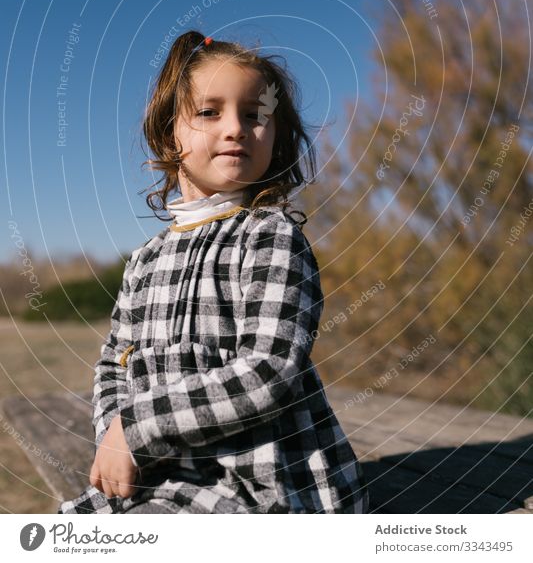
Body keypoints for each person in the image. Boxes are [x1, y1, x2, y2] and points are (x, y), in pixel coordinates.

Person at [57, 30, 370, 514]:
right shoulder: (146, 259)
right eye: (209, 112)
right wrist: (114, 431)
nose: (236, 128)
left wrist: (138, 427)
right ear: (169, 135)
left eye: (255, 115)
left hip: (260, 485)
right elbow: (112, 364)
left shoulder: (271, 237)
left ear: (278, 138)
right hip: (161, 471)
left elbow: (269, 370)